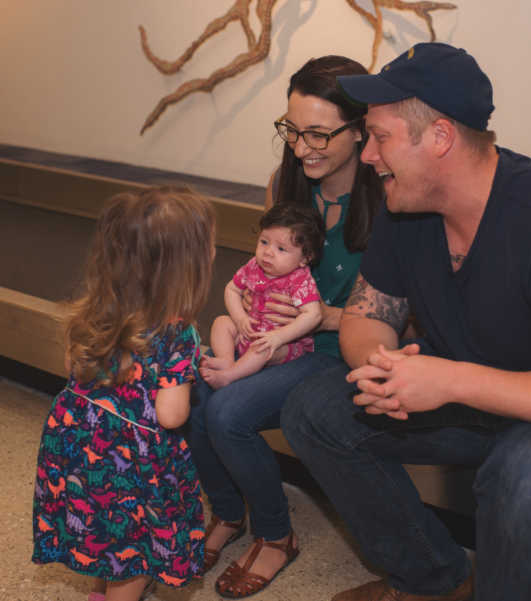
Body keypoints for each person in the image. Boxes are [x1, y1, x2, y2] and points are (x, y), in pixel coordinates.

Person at [281, 43, 531, 601]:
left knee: (524, 481)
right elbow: (367, 318)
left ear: (439, 138)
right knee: (314, 410)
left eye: (380, 137)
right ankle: (431, 581)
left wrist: (447, 381)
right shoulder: (406, 203)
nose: (367, 155)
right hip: (472, 396)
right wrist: (387, 370)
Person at [187, 55, 383, 598]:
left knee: (228, 413)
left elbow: (408, 317)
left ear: (361, 127)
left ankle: (276, 536)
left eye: (318, 134)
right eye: (292, 131)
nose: (301, 147)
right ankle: (228, 516)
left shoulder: (391, 196)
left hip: (341, 349)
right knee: (199, 387)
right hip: (278, 342)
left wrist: (318, 319)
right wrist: (250, 322)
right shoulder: (286, 183)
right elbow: (260, 275)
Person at [32, 187, 216, 601]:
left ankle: (100, 592)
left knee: (103, 534)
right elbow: (171, 415)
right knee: (133, 553)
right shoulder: (177, 333)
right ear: (187, 268)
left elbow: (72, 367)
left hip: (73, 441)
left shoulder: (97, 308)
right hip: (132, 464)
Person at [201, 203, 326, 389]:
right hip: (250, 330)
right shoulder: (254, 266)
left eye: (281, 249)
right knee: (221, 322)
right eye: (264, 242)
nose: (268, 252)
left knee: (262, 349)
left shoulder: (300, 280)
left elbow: (314, 315)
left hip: (283, 346)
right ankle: (226, 359)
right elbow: (231, 289)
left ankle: (230, 375)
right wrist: (240, 318)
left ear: (304, 258)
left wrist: (279, 337)